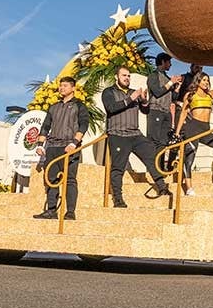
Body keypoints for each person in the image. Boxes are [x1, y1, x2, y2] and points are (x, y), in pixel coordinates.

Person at [101, 66, 171, 207]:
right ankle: (118, 198)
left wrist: (144, 101)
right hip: (117, 134)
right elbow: (111, 108)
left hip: (135, 134)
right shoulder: (109, 92)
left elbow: (145, 110)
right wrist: (131, 99)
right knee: (118, 168)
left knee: (152, 156)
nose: (126, 78)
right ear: (116, 77)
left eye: (128, 76)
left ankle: (162, 186)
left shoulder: (134, 92)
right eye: (123, 75)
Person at [33, 77, 89, 221]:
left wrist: (74, 143)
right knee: (51, 179)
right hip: (52, 147)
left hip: (69, 147)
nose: (61, 88)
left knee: (70, 179)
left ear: (73, 88)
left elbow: (84, 125)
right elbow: (45, 126)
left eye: (65, 86)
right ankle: (51, 210)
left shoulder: (80, 106)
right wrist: (40, 145)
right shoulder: (54, 107)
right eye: (60, 86)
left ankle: (70, 212)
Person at [175, 69, 213, 192]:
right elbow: (183, 115)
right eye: (204, 80)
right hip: (192, 130)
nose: (206, 82)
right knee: (189, 158)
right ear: (198, 81)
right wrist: (177, 133)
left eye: (208, 80)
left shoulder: (210, 95)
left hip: (206, 131)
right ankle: (189, 187)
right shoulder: (190, 95)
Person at [146, 53, 183, 155]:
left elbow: (173, 98)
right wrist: (171, 83)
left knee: (164, 141)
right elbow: (157, 92)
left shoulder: (167, 78)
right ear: (163, 62)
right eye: (169, 62)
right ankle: (152, 167)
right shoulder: (153, 76)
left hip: (166, 112)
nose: (170, 65)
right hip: (156, 111)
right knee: (154, 140)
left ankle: (160, 168)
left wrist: (177, 87)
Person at [173, 63, 203, 129]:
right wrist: (180, 103)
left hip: (194, 111)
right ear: (191, 67)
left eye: (201, 68)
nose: (199, 70)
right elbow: (173, 96)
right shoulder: (183, 78)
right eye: (197, 67)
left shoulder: (201, 81)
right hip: (181, 109)